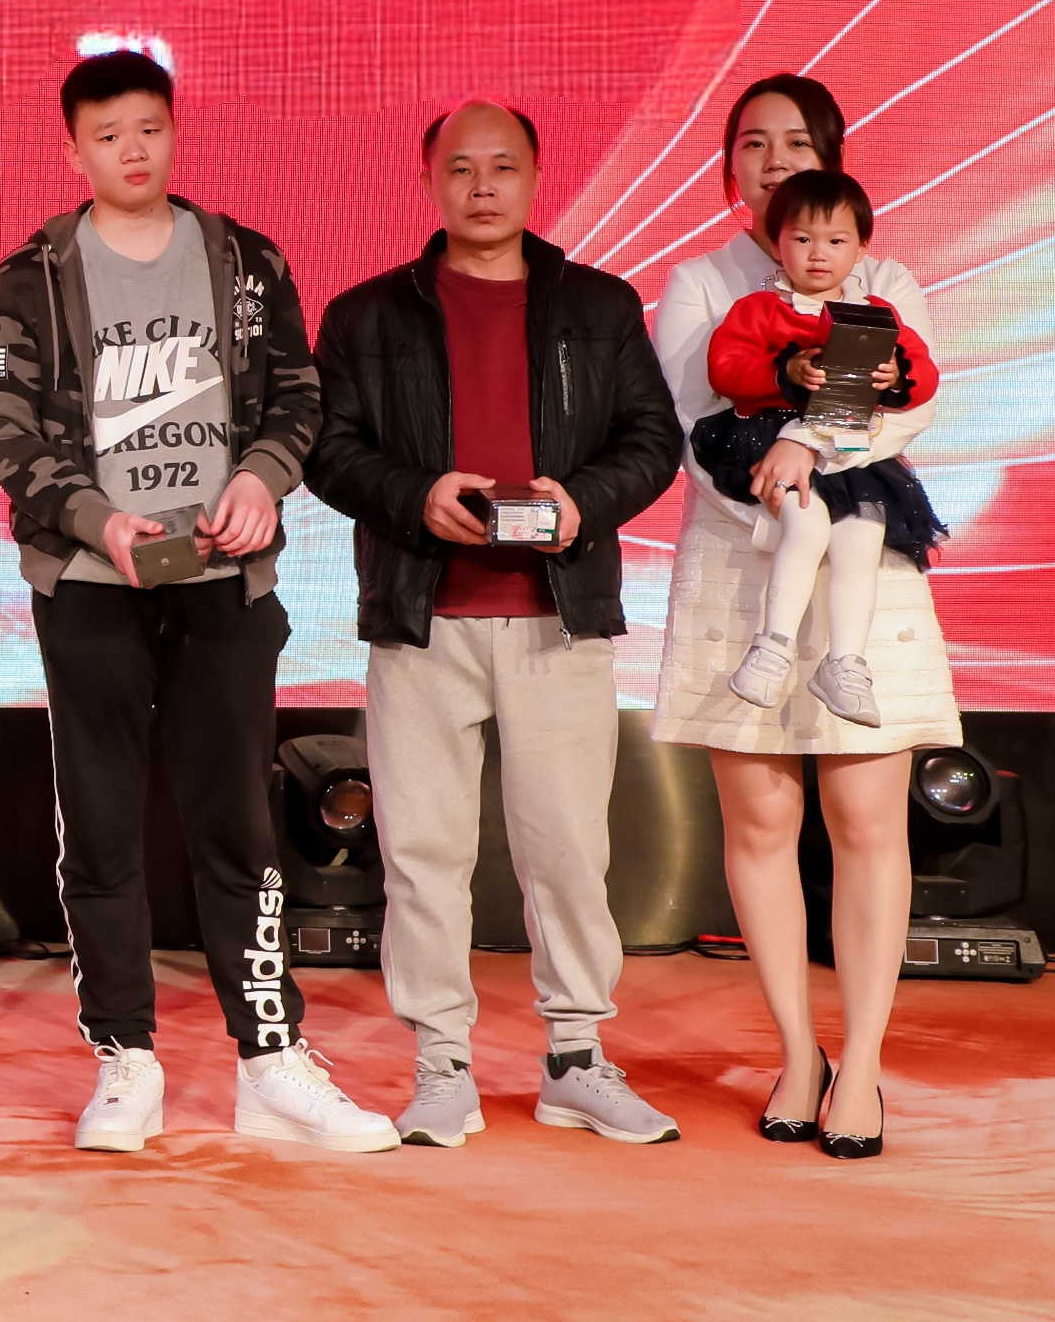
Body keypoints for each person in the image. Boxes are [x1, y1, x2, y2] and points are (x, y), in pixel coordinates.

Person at [0, 48, 395, 1153]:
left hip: (222, 585)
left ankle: (270, 1058)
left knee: (239, 825)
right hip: (91, 587)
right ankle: (125, 1058)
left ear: (174, 131)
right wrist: (93, 519)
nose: (132, 150)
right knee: (101, 826)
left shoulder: (244, 258)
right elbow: (5, 427)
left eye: (149, 128)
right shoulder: (30, 275)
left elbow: (298, 392)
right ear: (72, 149)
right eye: (108, 134)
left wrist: (259, 478)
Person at [307, 101, 686, 1151]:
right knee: (422, 852)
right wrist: (413, 494)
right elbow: (327, 447)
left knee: (566, 850)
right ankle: (440, 1065)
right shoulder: (365, 313)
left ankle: (575, 1058)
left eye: (503, 166)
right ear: (428, 178)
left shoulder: (598, 305)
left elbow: (651, 438)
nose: (482, 186)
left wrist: (582, 500)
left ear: (534, 176)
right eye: (461, 167)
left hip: (558, 617)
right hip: (420, 618)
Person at [653, 74, 956, 1160]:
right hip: (741, 559)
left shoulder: (885, 278)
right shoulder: (701, 281)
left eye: (796, 142)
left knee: (869, 821)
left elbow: (908, 403)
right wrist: (783, 470)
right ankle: (794, 1050)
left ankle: (861, 1062)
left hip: (863, 562)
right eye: (752, 142)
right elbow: (697, 416)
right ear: (727, 166)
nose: (774, 159)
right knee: (759, 826)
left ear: (831, 159)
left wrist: (806, 443)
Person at [694, 170, 942, 726]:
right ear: (776, 242)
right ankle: (772, 649)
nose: (818, 253)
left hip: (849, 450)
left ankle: (845, 664)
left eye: (836, 240)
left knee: (863, 538)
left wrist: (895, 376)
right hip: (771, 438)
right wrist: (785, 370)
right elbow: (724, 368)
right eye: (802, 238)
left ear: (861, 248)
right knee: (805, 525)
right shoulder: (759, 309)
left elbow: (923, 375)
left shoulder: (878, 312)